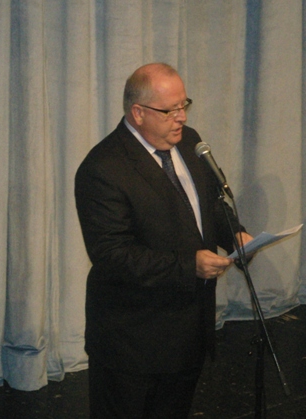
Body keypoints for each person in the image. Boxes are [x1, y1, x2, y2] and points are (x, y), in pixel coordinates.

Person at [75, 62, 253, 418]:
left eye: (184, 105)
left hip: (188, 332)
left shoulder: (190, 142)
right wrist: (190, 266)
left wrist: (233, 233)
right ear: (138, 113)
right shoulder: (103, 168)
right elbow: (112, 254)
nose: (181, 117)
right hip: (132, 341)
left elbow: (210, 203)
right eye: (170, 110)